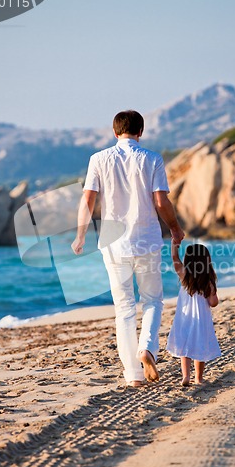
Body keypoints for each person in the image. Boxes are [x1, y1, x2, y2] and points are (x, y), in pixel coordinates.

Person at [72, 110, 184, 387]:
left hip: (112, 244)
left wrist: (80, 235)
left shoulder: (97, 159)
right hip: (146, 239)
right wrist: (175, 228)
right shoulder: (152, 159)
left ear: (115, 132)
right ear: (141, 132)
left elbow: (88, 200)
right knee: (153, 300)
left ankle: (133, 376)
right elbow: (161, 202)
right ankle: (146, 348)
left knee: (123, 308)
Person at [167, 241, 221, 386]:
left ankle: (185, 376)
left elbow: (175, 259)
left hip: (184, 318)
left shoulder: (185, 276)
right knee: (199, 346)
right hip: (201, 320)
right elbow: (213, 302)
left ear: (188, 261)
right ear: (207, 261)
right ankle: (198, 378)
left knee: (185, 346)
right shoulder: (208, 281)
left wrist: (174, 245)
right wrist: (213, 293)